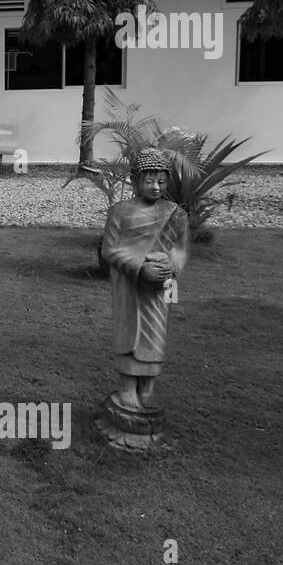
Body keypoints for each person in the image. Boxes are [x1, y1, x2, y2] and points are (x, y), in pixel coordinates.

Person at [100, 148, 190, 411]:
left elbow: (181, 249)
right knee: (129, 332)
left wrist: (170, 266)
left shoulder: (176, 214)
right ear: (136, 181)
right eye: (149, 180)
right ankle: (127, 386)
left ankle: (147, 386)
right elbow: (110, 249)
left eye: (161, 181)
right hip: (129, 285)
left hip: (158, 288)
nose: (155, 186)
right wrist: (140, 266)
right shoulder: (121, 212)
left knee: (155, 332)